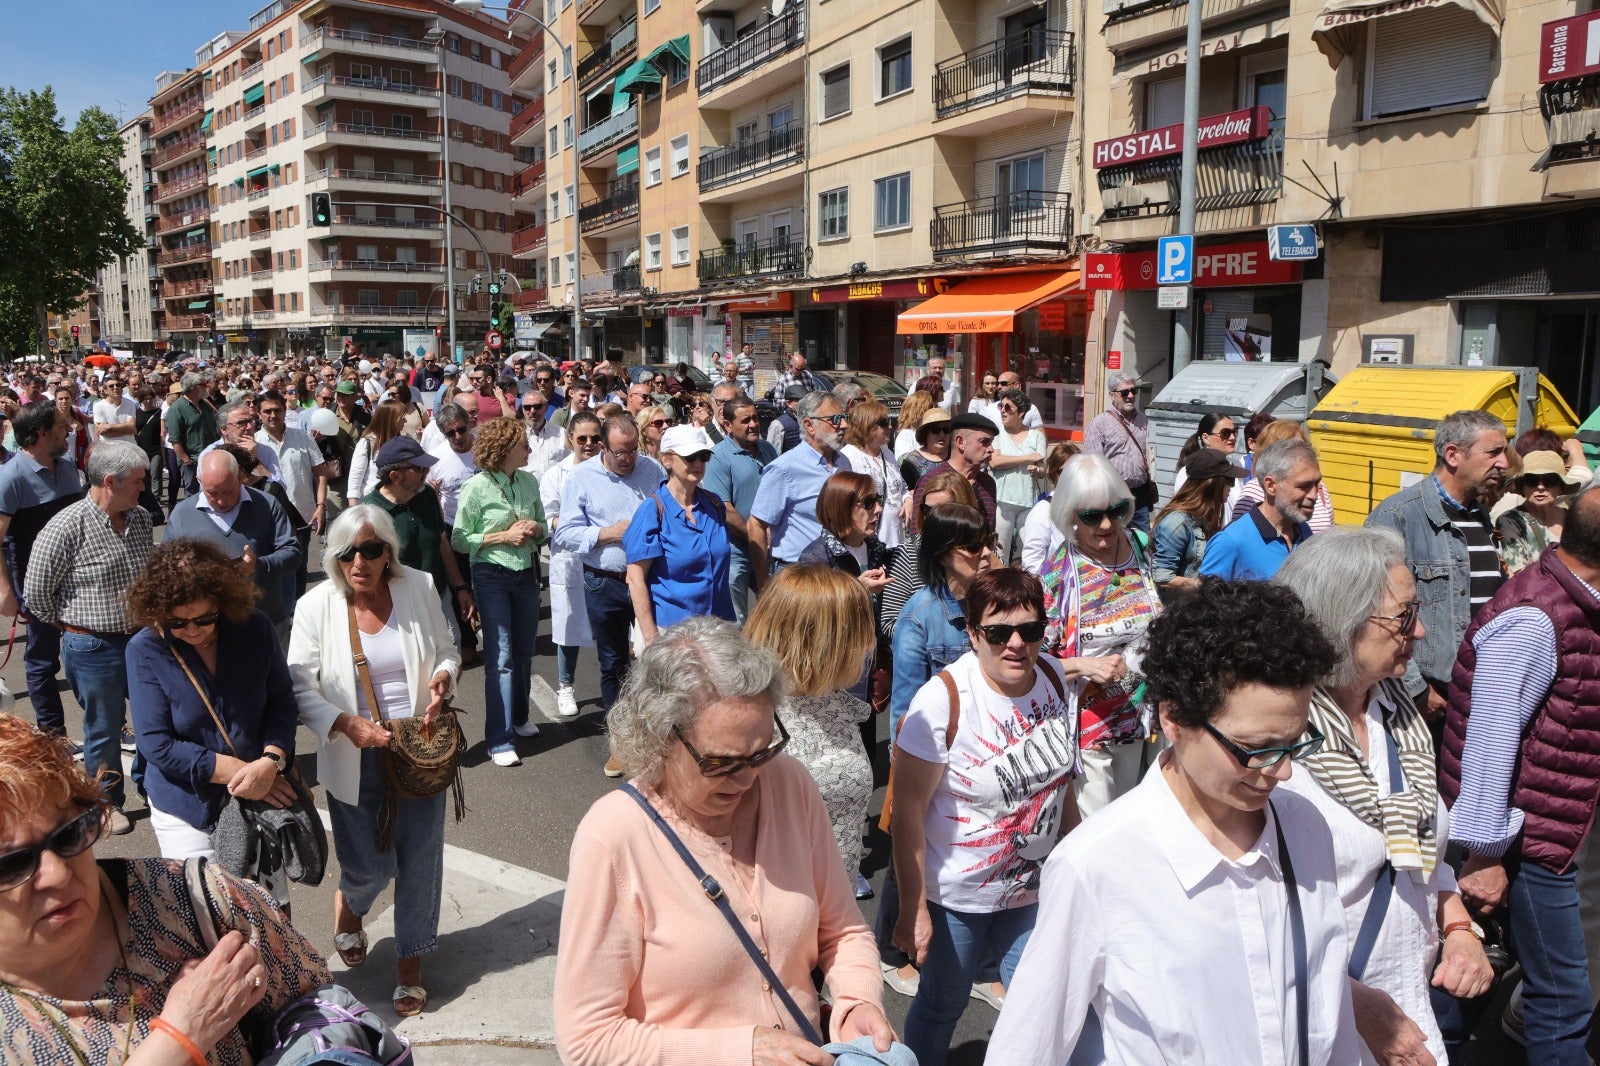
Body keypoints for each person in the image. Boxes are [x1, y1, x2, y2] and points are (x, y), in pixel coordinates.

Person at [988, 580, 1362, 1065]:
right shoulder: (1097, 865)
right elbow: (1025, 1050)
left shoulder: (1307, 827)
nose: (1283, 770)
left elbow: (1329, 1017)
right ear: (1173, 719)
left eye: (1294, 743)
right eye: (1255, 749)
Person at [552, 617, 894, 1063]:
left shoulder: (790, 784)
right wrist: (741, 1050)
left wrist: (858, 1000)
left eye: (763, 750)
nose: (749, 778)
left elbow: (843, 931)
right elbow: (587, 1040)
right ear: (660, 738)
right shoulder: (613, 838)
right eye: (721, 762)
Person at [1271, 528, 1494, 1066]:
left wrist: (1459, 927)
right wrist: (1351, 1005)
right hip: (1316, 1024)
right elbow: (1245, 917)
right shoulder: (1275, 744)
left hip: (1408, 1012)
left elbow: (1420, 851)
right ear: (1337, 623)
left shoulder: (1395, 715)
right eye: (1401, 617)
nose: (1418, 629)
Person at [0, 713, 332, 1064]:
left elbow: (326, 1011)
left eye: (69, 834)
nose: (57, 874)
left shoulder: (194, 898)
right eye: (11, 864)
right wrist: (180, 1038)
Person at [1436, 486, 1600, 1065]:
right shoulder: (1536, 617)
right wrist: (1483, 855)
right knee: (1561, 998)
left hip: (1540, 831)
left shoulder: (1573, 603)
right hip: (1523, 841)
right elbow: (1490, 739)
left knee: (1475, 980)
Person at [890, 568, 1080, 1066]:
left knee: (1035, 1003)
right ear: (972, 634)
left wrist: (1080, 860)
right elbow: (907, 813)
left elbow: (1062, 786)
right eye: (998, 632)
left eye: (1031, 630)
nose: (1016, 643)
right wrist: (913, 909)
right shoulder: (943, 701)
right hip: (959, 896)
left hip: (1033, 888)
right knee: (943, 1004)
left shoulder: (1055, 680)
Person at [288, 504, 459, 1018]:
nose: (358, 562)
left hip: (417, 749)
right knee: (367, 866)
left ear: (389, 552)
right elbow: (300, 684)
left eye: (370, 549)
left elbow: (447, 648)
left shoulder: (420, 587)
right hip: (352, 754)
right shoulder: (316, 605)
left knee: (422, 859)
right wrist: (344, 723)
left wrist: (444, 678)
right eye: (346, 553)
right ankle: (352, 903)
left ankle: (410, 962)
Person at [124, 540, 298, 869]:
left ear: (223, 600)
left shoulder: (255, 627)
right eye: (178, 623)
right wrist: (244, 773)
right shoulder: (145, 649)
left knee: (265, 908)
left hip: (261, 789)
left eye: (205, 619)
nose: (192, 630)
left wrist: (272, 759)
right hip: (187, 805)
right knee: (204, 908)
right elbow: (155, 743)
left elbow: (282, 700)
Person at [23, 440, 153, 835]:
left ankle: (154, 787)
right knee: (103, 728)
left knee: (154, 716)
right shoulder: (66, 526)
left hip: (142, 639)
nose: (143, 488)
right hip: (92, 646)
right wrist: (73, 627)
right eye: (137, 481)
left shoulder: (141, 518)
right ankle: (105, 802)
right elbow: (37, 593)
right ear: (110, 481)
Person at [1366, 409, 1509, 723]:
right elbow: (1373, 614)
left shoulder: (1480, 518)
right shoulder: (1399, 515)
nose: (1504, 462)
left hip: (1476, 694)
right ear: (1453, 455)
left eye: (1505, 451)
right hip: (1423, 703)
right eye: (1493, 452)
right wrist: (1415, 689)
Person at [745, 564, 879, 898]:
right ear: (819, 641)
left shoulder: (830, 698)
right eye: (858, 631)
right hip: (780, 913)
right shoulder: (751, 719)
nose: (868, 642)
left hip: (837, 907)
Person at [1040, 452, 1163, 817]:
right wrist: (1086, 666)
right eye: (1093, 516)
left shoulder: (1141, 546)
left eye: (1118, 510)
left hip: (1143, 713)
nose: (1108, 525)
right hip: (1089, 725)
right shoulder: (1058, 573)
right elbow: (1036, 661)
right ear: (1069, 515)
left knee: (1139, 822)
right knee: (1100, 828)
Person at [553, 415, 666, 765]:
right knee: (613, 663)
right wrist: (608, 533)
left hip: (650, 580)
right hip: (605, 579)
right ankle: (621, 742)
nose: (628, 459)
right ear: (603, 446)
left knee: (657, 657)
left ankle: (659, 738)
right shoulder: (581, 478)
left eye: (633, 450)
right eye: (620, 452)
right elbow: (566, 533)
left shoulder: (652, 470)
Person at [452, 417, 547, 767]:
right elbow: (460, 539)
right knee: (501, 655)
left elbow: (544, 527)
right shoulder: (476, 487)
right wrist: (501, 536)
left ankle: (519, 717)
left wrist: (537, 527)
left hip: (526, 572)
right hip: (491, 574)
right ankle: (499, 738)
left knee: (523, 651)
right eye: (524, 445)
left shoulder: (528, 482)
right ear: (506, 449)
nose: (530, 450)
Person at [0, 400, 83, 746]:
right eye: (63, 426)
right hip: (37, 587)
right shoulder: (11, 478)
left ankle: (105, 723)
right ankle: (55, 736)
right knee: (42, 661)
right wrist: (5, 589)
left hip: (78, 582)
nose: (70, 431)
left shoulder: (66, 468)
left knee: (88, 653)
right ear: (42, 434)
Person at [165, 450, 302, 631]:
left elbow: (292, 552)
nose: (221, 501)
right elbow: (166, 564)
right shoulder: (183, 514)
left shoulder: (267, 505)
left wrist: (259, 565)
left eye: (228, 491)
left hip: (264, 622)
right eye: (212, 493)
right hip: (206, 629)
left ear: (241, 478)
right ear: (199, 481)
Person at [624, 424, 733, 644]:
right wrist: (651, 637)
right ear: (667, 460)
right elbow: (635, 578)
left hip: (716, 628)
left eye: (703, 456)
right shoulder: (652, 510)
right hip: (672, 634)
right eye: (690, 456)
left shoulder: (714, 504)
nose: (698, 463)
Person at [362, 436, 474, 650]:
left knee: (451, 651)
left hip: (439, 595)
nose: (426, 473)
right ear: (395, 476)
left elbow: (442, 544)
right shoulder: (370, 513)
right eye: (420, 469)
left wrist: (460, 587)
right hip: (398, 606)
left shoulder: (427, 495)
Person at [748, 390, 847, 586]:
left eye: (844, 417)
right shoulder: (785, 468)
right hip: (797, 576)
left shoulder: (844, 462)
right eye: (835, 419)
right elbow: (756, 525)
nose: (844, 425)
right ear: (810, 425)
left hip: (837, 572)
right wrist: (762, 582)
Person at [542, 411, 604, 720]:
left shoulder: (610, 471)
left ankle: (614, 686)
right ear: (570, 440)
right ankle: (565, 686)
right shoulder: (556, 474)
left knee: (609, 626)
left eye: (595, 438)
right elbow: (549, 516)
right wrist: (582, 528)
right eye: (582, 438)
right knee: (568, 625)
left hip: (604, 560)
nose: (589, 444)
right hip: (570, 560)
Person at [1199, 438, 1321, 582]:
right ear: (1270, 486)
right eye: (1304, 486)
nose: (1314, 495)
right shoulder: (1230, 542)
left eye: (1316, 484)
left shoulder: (1304, 532)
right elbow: (1204, 601)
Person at [703, 394, 776, 624]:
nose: (753, 424)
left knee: (773, 614)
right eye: (745, 421)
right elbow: (724, 508)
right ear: (727, 425)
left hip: (770, 550)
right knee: (737, 620)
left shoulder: (768, 450)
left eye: (755, 418)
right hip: (737, 553)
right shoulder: (718, 458)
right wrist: (756, 536)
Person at [425, 401, 481, 666]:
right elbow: (429, 500)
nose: (458, 437)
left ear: (470, 424)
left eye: (461, 429)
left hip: (488, 529)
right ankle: (468, 640)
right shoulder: (435, 459)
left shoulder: (484, 446)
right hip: (454, 529)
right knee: (461, 587)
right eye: (450, 433)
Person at [1153, 449, 1248, 593]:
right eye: (1229, 480)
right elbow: (1163, 577)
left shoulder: (1205, 516)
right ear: (1212, 484)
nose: (1233, 486)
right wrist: (1203, 586)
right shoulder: (1176, 523)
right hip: (1179, 609)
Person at [1230, 420, 1337, 532]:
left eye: (1302, 446)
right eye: (1289, 448)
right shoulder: (1252, 492)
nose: (1313, 495)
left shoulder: (1319, 488)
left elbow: (1330, 535)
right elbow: (1241, 536)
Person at [1082, 372, 1154, 531]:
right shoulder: (1100, 423)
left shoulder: (1142, 419)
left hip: (1139, 495)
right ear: (1112, 395)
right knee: (1116, 539)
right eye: (1124, 392)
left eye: (1133, 391)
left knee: (1143, 541)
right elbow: (1093, 465)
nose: (1130, 396)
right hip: (1114, 495)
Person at [841, 399, 911, 550]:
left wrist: (907, 499)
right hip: (870, 542)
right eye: (884, 422)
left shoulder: (887, 453)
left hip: (896, 538)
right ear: (868, 426)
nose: (890, 426)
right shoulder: (849, 456)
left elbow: (901, 486)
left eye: (890, 421)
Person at [1497, 449, 1580, 575]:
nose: (1540, 487)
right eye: (1532, 481)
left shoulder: (1573, 518)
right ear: (1522, 487)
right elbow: (1520, 574)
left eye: (1549, 481)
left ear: (1561, 487)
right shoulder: (1511, 521)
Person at [910, 413, 997, 532]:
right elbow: (917, 532)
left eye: (991, 442)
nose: (991, 449)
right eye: (984, 442)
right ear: (960, 442)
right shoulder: (933, 481)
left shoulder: (988, 483)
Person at [989, 390, 1047, 565]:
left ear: (1021, 412)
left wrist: (1037, 471)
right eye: (1001, 406)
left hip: (1028, 503)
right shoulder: (997, 434)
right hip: (1002, 502)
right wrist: (1028, 458)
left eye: (1008, 407)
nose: (1003, 410)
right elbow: (995, 462)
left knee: (1033, 549)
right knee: (1000, 552)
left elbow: (1043, 468)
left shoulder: (1036, 436)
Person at [1018, 442, 1080, 574]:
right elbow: (1032, 563)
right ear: (1053, 474)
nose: (1072, 477)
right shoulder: (1043, 511)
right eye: (1065, 472)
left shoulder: (1089, 506)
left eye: (1078, 471)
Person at [345, 399, 416, 507]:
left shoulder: (402, 442)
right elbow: (355, 480)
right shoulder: (367, 443)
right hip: (372, 506)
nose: (405, 421)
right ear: (390, 419)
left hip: (398, 505)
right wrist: (354, 509)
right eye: (401, 418)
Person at [164, 372, 218, 495]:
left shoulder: (205, 404)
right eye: (203, 384)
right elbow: (174, 438)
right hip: (192, 460)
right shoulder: (177, 408)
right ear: (193, 387)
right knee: (194, 494)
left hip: (210, 457)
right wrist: (186, 459)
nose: (207, 386)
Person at [900, 408, 952, 501]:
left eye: (946, 429)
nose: (942, 434)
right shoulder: (911, 462)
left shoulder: (957, 455)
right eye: (935, 430)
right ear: (926, 433)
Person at [894, 389, 936, 461]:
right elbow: (905, 463)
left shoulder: (932, 431)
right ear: (918, 410)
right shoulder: (906, 435)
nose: (933, 409)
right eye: (930, 406)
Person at [766, 383, 806, 454]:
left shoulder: (811, 420)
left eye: (805, 400)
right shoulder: (778, 425)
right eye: (799, 400)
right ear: (788, 403)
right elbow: (773, 455)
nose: (804, 404)